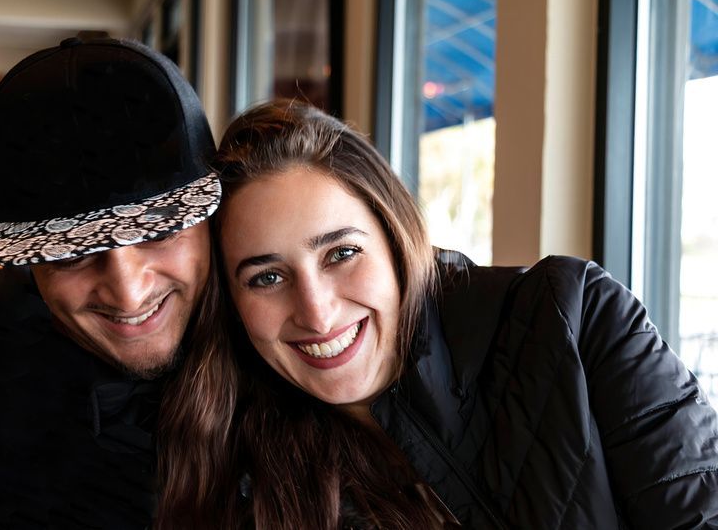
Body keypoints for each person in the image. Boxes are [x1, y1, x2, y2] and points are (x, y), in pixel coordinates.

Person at [156, 100, 718, 529]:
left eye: (341, 254)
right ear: (231, 302)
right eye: (267, 277)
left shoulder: (574, 315)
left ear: (396, 237)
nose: (317, 311)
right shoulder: (229, 460)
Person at [0, 37, 221, 529]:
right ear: (29, 265)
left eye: (161, 232)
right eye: (73, 255)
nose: (128, 292)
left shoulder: (290, 322)